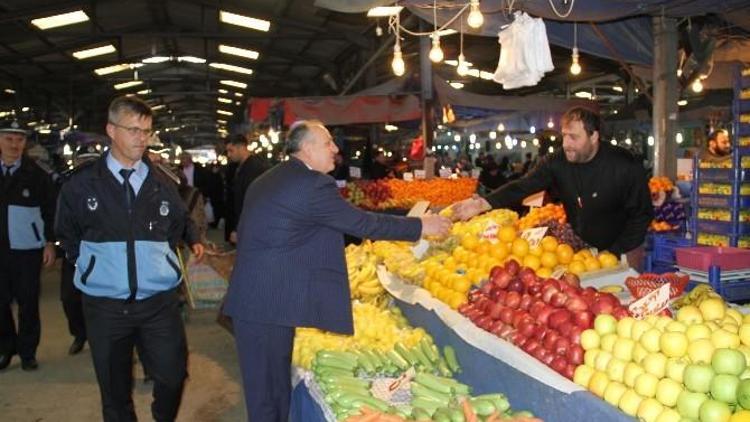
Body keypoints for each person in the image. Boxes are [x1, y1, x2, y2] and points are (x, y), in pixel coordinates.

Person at [223, 120, 451, 421]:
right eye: (328, 142)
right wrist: (421, 226)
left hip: (261, 298)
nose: (336, 149)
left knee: (271, 391)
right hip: (267, 304)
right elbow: (362, 223)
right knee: (268, 398)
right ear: (307, 148)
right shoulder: (311, 184)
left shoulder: (270, 177)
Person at [55, 96, 205, 422]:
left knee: (172, 375)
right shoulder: (81, 185)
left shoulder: (163, 182)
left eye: (147, 131)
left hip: (158, 303)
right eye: (133, 130)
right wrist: (94, 268)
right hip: (105, 305)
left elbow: (179, 221)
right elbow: (66, 233)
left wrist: (187, 242)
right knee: (114, 390)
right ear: (111, 130)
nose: (142, 138)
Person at [452, 107, 652, 267]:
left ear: (594, 137)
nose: (566, 144)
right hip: (585, 249)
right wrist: (484, 203)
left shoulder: (624, 164)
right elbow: (523, 186)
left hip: (626, 246)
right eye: (564, 135)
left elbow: (642, 214)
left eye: (574, 137)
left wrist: (618, 250)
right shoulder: (557, 162)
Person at [0, 120, 57, 371]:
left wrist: (49, 242)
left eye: (19, 140)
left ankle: (27, 351)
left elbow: (49, 210)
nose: (14, 145)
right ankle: (5, 347)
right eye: (9, 139)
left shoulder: (37, 174)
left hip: (27, 249)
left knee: (28, 301)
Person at [56, 143, 106, 356]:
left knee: (104, 302)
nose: (86, 167)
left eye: (91, 162)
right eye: (83, 162)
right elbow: (60, 222)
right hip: (75, 253)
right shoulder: (67, 185)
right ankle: (79, 333)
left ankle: (104, 339)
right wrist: (70, 252)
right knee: (70, 298)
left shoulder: (109, 186)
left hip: (104, 254)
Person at [225, 134, 270, 244]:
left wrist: (238, 229)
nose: (228, 155)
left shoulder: (254, 168)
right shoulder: (240, 167)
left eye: (231, 150)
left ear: (241, 147)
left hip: (253, 228)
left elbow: (250, 203)